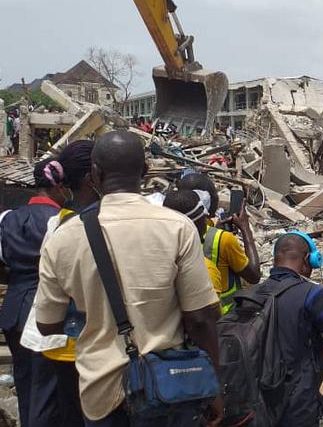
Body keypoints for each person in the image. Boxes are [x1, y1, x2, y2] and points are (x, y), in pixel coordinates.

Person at [35, 131, 223, 426]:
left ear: (94, 174)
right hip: (169, 390)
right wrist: (215, 387)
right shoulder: (178, 228)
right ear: (145, 171)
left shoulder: (63, 239)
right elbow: (200, 318)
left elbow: (47, 325)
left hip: (101, 392)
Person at [20, 141, 99, 427]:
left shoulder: (60, 224)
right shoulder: (73, 226)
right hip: (90, 347)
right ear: (94, 176)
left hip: (61, 343)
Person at [0, 159, 70, 426]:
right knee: (48, 389)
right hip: (46, 310)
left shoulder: (8, 218)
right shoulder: (61, 222)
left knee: (26, 382)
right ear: (60, 186)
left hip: (14, 309)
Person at [264, 232, 323, 425]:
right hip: (297, 409)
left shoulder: (253, 293)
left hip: (257, 406)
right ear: (308, 259)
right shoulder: (313, 295)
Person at [177, 173, 261, 314]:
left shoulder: (174, 236)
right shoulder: (223, 239)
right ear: (209, 201)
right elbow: (254, 276)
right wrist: (246, 229)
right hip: (224, 318)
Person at [163, 190, 223, 297]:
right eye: (204, 217)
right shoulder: (205, 270)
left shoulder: (151, 257)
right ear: (198, 224)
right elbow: (209, 312)